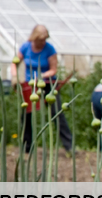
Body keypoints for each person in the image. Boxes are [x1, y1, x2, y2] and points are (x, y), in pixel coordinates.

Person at [11, 24, 72, 153]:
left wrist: (40, 75)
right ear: (34, 38)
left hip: (47, 84)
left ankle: (69, 146)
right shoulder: (26, 47)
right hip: (30, 85)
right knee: (27, 114)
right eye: (40, 40)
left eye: (45, 39)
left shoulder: (50, 49)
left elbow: (53, 70)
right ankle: (27, 147)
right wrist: (15, 76)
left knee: (57, 113)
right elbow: (14, 63)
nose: (43, 42)